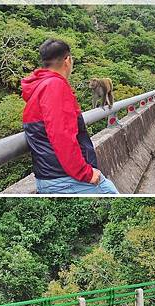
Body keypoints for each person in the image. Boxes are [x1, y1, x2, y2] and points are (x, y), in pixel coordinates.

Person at [21, 39, 119, 194]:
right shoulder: (55, 86)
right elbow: (61, 135)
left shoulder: (40, 86)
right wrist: (85, 173)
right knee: (110, 193)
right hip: (64, 178)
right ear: (67, 60)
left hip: (52, 175)